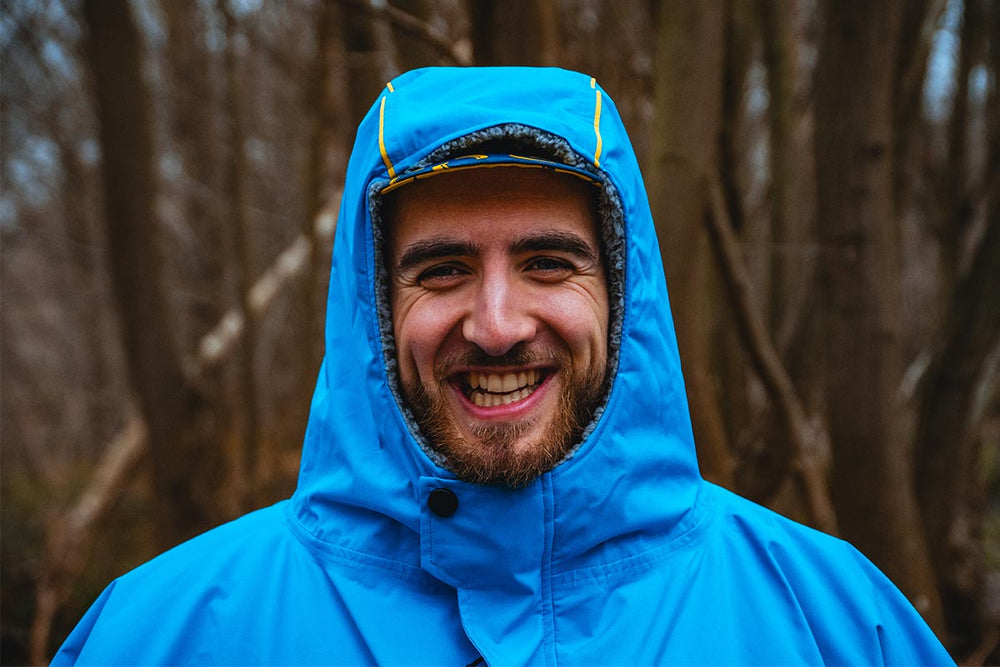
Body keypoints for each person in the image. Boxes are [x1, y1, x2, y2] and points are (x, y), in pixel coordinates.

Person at [54, 67, 952, 665]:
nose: (495, 325)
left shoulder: (834, 626)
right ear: (373, 311)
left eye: (548, 263)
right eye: (442, 270)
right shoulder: (159, 635)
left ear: (624, 296)